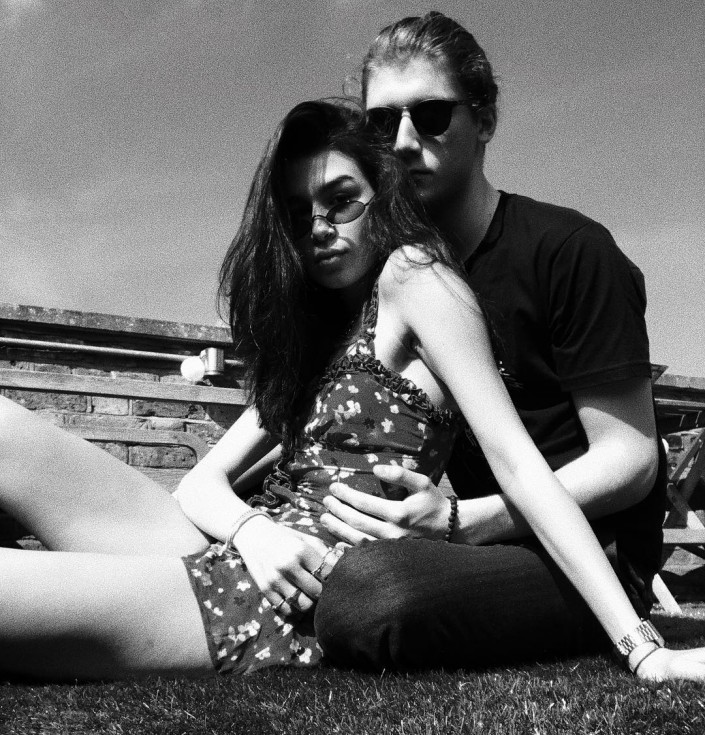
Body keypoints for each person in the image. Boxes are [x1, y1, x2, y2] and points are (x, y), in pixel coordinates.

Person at [0, 100, 701, 684]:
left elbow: (520, 466)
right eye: (298, 212)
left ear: (382, 196)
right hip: (255, 548)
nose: (319, 228)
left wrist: (644, 650)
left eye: (341, 202)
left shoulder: (416, 278)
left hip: (293, 595)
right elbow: (200, 486)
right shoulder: (318, 334)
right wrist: (254, 532)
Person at [312, 11, 678, 673]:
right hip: (484, 550)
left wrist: (463, 520)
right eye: (380, 123)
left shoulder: (569, 250)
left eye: (430, 115)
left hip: (595, 552)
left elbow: (630, 460)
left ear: (483, 120)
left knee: (369, 593)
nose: (402, 141)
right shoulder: (391, 276)